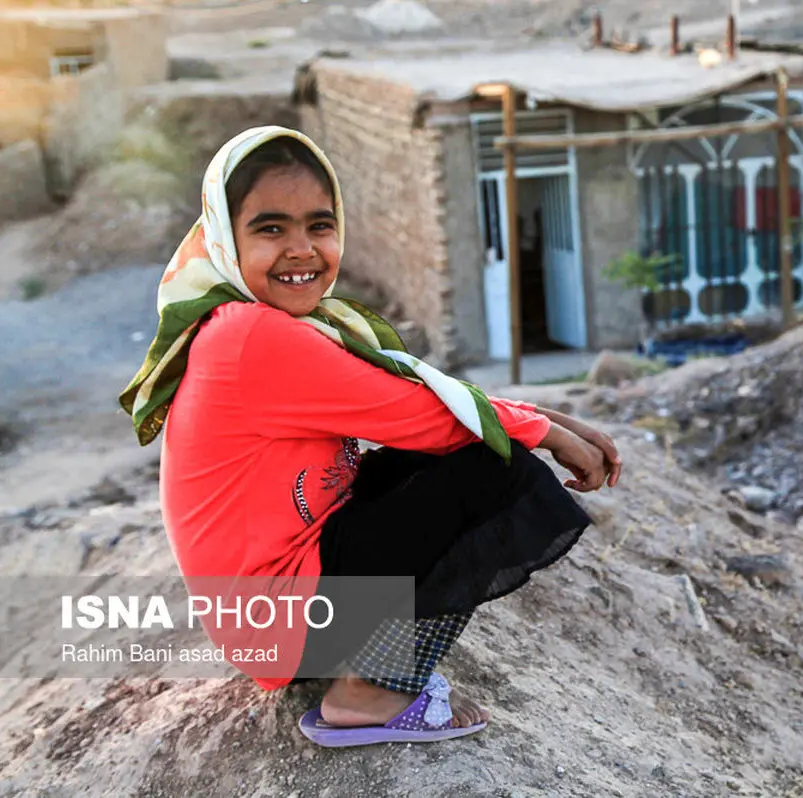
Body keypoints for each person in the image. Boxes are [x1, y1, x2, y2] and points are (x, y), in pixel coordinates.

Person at [120, 126, 621, 746]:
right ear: (225, 235)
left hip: (276, 602)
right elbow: (422, 414)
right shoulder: (250, 336)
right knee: (497, 469)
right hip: (281, 617)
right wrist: (543, 431)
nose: (301, 250)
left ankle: (364, 666)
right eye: (270, 229)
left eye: (319, 226)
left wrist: (541, 419)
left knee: (466, 445)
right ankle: (369, 691)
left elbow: (419, 405)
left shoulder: (246, 320)